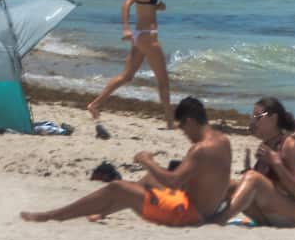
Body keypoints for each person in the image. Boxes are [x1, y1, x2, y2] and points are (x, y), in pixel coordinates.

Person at [21, 96, 231, 226]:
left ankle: (52, 216)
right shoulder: (223, 141)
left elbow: (174, 181)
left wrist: (146, 160)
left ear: (190, 121)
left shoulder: (200, 149)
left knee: (117, 186)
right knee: (149, 179)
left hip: (186, 215)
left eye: (183, 128)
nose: (185, 134)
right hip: (203, 211)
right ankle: (103, 211)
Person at [88, 0, 178, 128]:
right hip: (147, 37)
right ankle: (169, 121)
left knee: (127, 76)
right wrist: (126, 28)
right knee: (163, 81)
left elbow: (145, 6)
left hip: (141, 36)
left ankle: (95, 104)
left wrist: (158, 6)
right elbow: (127, 3)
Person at [210, 97, 295, 226]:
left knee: (253, 178)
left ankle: (220, 219)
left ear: (273, 119)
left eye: (258, 117)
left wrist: (276, 163)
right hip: (270, 214)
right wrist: (249, 171)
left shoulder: (289, 146)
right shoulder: (266, 147)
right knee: (227, 184)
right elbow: (263, 187)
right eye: (253, 117)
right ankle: (204, 213)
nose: (253, 121)